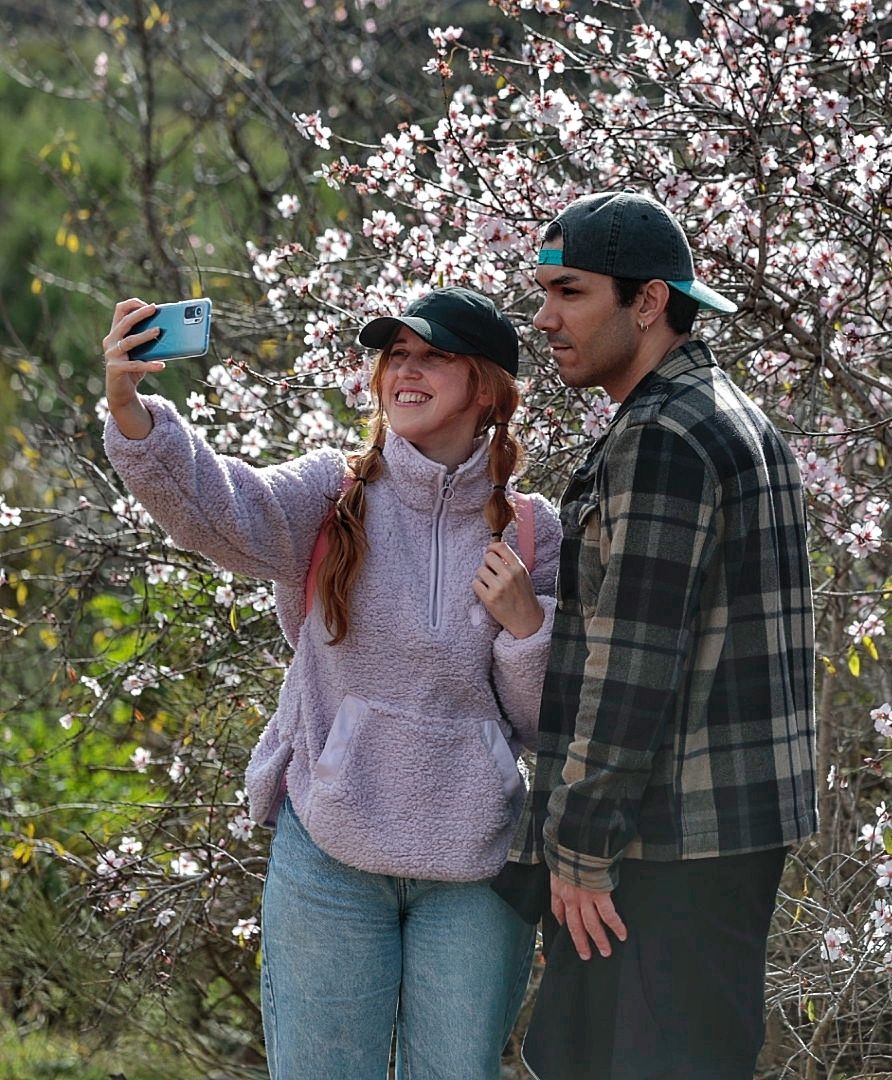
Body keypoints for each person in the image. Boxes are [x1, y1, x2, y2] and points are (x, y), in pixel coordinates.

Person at [101, 286, 561, 1079]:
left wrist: (527, 629)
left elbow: (541, 721)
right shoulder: (331, 493)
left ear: (487, 390)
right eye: (396, 355)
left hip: (476, 869)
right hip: (329, 856)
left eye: (433, 356)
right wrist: (129, 408)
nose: (404, 371)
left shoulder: (531, 530)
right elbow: (218, 508)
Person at [494, 192, 818, 1079]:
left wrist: (580, 846)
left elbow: (632, 664)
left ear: (647, 302)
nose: (545, 318)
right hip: (713, 835)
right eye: (545, 293)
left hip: (662, 845)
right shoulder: (725, 412)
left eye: (569, 292)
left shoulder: (663, 436)